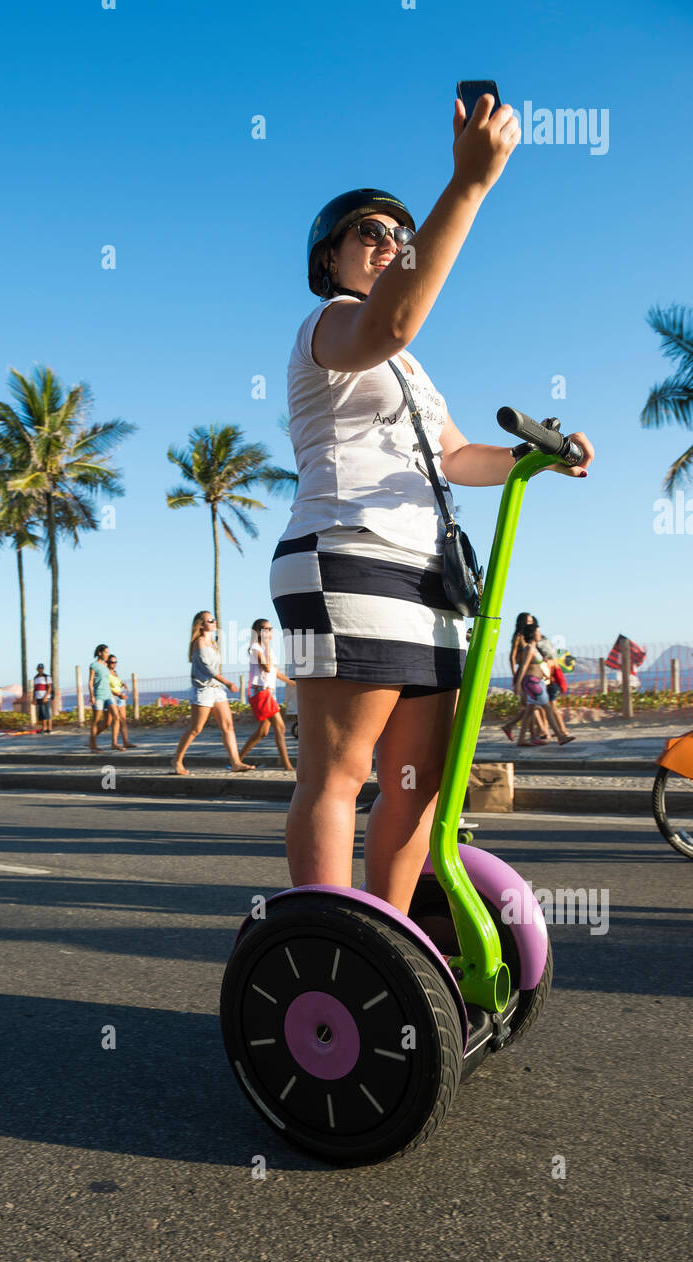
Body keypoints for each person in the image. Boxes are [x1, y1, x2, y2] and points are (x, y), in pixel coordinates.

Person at [268, 102, 594, 914]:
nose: (388, 245)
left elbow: (455, 457)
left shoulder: (411, 370)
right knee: (337, 774)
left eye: (397, 237)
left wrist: (535, 456)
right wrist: (470, 181)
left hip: (429, 579)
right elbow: (396, 316)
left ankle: (393, 946)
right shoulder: (335, 327)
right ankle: (330, 947)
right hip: (341, 558)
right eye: (369, 234)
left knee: (416, 786)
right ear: (329, 258)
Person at [172, 611, 256, 774]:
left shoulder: (213, 643)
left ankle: (236, 762)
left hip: (217, 690)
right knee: (196, 728)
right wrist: (228, 683)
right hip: (203, 689)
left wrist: (222, 684)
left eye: (214, 619)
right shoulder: (200, 642)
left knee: (228, 726)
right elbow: (208, 668)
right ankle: (177, 760)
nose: (214, 622)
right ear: (201, 625)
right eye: (210, 620)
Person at [238, 618, 296, 771]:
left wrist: (294, 684)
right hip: (261, 692)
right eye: (266, 629)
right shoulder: (255, 648)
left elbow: (276, 672)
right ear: (258, 632)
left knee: (262, 732)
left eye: (271, 629)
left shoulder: (265, 649)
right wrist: (267, 645)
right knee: (280, 727)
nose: (270, 631)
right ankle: (287, 765)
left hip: (269, 692)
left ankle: (236, 760)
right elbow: (267, 667)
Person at [513, 622, 574, 747]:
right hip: (532, 682)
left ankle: (520, 738)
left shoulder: (535, 648)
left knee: (529, 711)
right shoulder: (529, 647)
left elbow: (536, 664)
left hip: (537, 681)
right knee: (548, 708)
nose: (540, 634)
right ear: (532, 634)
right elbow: (524, 666)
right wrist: (518, 685)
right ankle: (560, 736)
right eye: (538, 632)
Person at [502, 612, 549, 742]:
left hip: (531, 675)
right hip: (524, 674)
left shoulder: (531, 639)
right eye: (528, 621)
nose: (531, 623)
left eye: (531, 621)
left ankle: (532, 734)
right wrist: (514, 675)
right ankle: (535, 734)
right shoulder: (519, 637)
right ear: (522, 622)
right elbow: (512, 657)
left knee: (532, 706)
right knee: (532, 705)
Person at [105, 655, 136, 749]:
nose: (114, 664)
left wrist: (123, 684)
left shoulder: (115, 673)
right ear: (107, 663)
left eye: (115, 662)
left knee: (123, 720)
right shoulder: (106, 673)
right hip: (112, 697)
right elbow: (106, 687)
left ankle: (125, 742)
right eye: (111, 662)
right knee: (114, 720)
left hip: (120, 697)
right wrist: (118, 694)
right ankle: (113, 743)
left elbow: (116, 683)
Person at [88, 643, 113, 750]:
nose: (108, 654)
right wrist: (92, 696)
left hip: (108, 695)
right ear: (100, 653)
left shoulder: (106, 666)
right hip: (98, 695)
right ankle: (93, 744)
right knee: (96, 721)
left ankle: (114, 742)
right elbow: (90, 682)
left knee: (110, 720)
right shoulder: (93, 665)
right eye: (106, 652)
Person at [33, 664, 53, 733]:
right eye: (39, 668)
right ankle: (44, 728)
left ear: (43, 669)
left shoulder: (47, 677)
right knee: (41, 713)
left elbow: (50, 687)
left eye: (41, 668)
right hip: (38, 697)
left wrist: (45, 697)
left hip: (45, 697)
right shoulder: (35, 678)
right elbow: (34, 689)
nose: (40, 670)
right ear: (37, 669)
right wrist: (34, 698)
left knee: (47, 712)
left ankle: (49, 728)